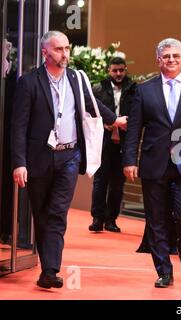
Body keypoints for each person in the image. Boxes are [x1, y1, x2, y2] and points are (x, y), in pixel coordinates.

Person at [11, 31, 127, 289]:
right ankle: (46, 268)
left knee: (57, 213)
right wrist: (19, 162)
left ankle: (51, 270)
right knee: (42, 215)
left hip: (69, 155)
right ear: (45, 53)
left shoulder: (76, 77)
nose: (65, 54)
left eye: (67, 48)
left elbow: (90, 102)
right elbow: (18, 126)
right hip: (38, 158)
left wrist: (114, 119)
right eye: (59, 49)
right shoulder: (29, 82)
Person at [123, 38, 181, 288]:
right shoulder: (144, 90)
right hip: (154, 164)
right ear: (158, 60)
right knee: (156, 220)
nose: (171, 60)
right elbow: (134, 128)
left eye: (176, 55)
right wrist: (130, 159)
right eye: (166, 56)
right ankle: (164, 270)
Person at [89, 57, 137, 233]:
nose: (118, 74)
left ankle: (111, 220)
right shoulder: (98, 88)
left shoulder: (134, 89)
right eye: (115, 70)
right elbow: (90, 112)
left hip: (124, 142)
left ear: (125, 70)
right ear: (109, 70)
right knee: (100, 181)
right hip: (104, 141)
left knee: (118, 184)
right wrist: (104, 123)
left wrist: (127, 122)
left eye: (121, 70)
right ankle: (97, 218)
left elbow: (139, 114)